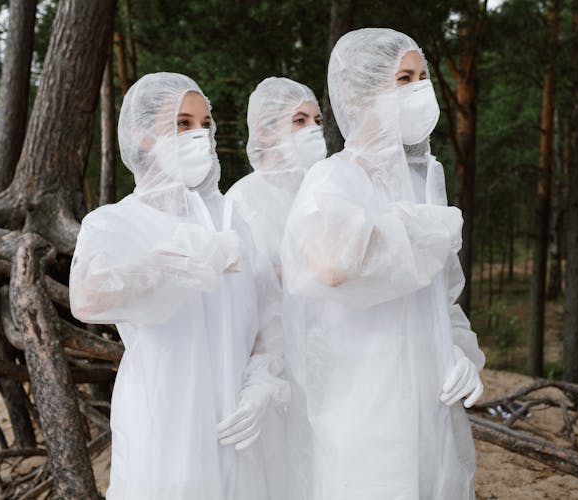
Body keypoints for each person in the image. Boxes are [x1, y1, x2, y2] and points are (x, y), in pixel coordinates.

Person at [280, 28, 485, 500]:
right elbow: (332, 266)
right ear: (363, 92)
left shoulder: (424, 181)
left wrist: (459, 352)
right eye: (403, 79)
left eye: (422, 77)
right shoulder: (331, 178)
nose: (419, 90)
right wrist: (414, 229)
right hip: (361, 401)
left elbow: (443, 294)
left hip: (429, 397)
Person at [69, 72, 287, 499]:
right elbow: (88, 297)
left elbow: (266, 317)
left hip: (236, 425)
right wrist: (175, 262)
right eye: (182, 123)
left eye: (205, 125)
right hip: (163, 421)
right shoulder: (115, 222)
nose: (199, 136)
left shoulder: (230, 220)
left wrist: (262, 385)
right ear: (142, 135)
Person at [225, 76, 326, 500]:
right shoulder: (241, 202)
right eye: (299, 120)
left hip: (329, 364)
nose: (313, 130)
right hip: (271, 375)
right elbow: (235, 305)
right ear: (265, 129)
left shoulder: (322, 193)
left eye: (318, 120)